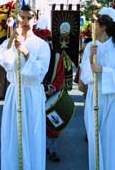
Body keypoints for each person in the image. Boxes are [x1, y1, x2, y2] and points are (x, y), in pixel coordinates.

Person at [80, 7, 115, 170]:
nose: (92, 26)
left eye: (95, 23)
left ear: (103, 26)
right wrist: (90, 60)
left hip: (113, 101)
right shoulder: (90, 46)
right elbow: (84, 77)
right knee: (94, 144)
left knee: (112, 144)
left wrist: (104, 71)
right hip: (94, 99)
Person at [0, 5, 50, 170]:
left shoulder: (42, 45)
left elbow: (39, 73)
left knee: (32, 137)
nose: (25, 21)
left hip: (32, 94)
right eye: (22, 17)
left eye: (29, 18)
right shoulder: (9, 42)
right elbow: (5, 62)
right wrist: (12, 39)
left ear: (35, 20)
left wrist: (26, 52)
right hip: (14, 93)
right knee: (13, 136)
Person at [33, 24, 65, 162]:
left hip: (51, 94)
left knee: (53, 124)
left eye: (47, 40)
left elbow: (60, 76)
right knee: (34, 124)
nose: (46, 43)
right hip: (34, 95)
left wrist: (53, 89)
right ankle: (37, 149)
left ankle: (52, 150)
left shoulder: (57, 57)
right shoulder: (30, 56)